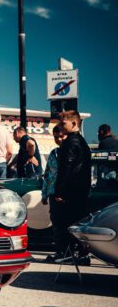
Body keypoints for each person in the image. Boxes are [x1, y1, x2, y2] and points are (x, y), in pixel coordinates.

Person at [52, 110, 92, 264]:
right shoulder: (82, 142)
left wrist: (59, 190)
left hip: (70, 191)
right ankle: (82, 254)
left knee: (67, 223)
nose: (60, 127)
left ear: (74, 123)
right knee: (79, 223)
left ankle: (71, 254)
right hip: (81, 190)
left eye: (63, 123)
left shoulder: (70, 142)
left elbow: (65, 169)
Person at [41, 124, 65, 262]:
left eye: (61, 136)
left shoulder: (70, 151)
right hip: (52, 192)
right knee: (56, 223)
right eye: (56, 137)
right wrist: (44, 194)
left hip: (65, 193)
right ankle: (60, 251)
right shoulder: (53, 153)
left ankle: (71, 251)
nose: (59, 139)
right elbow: (48, 174)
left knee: (67, 223)